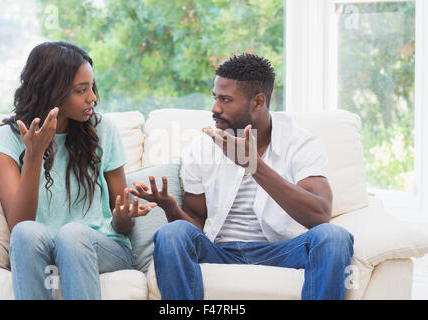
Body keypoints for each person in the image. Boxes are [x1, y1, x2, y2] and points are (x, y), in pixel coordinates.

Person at [130, 53, 354, 300]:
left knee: (334, 238)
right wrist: (171, 208)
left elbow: (320, 216)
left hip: (281, 250)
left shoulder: (301, 144)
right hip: (218, 249)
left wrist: (254, 166)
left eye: (225, 100)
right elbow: (197, 224)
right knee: (171, 234)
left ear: (258, 101)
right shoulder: (202, 147)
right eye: (215, 98)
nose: (215, 109)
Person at [0, 41, 157, 300]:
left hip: (100, 247)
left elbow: (123, 222)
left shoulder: (104, 130)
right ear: (52, 92)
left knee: (72, 234)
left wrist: (124, 216)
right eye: (81, 90)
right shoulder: (7, 138)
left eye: (92, 87)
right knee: (26, 233)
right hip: (40, 247)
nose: (93, 98)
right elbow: (19, 225)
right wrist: (33, 156)